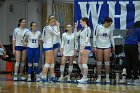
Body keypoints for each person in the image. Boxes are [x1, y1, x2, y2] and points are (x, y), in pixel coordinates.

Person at [93, 17, 115, 83]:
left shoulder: (110, 28)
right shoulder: (98, 26)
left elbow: (111, 36)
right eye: (109, 24)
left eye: (111, 24)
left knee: (107, 62)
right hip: (99, 46)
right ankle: (99, 77)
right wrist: (94, 46)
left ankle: (107, 77)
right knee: (99, 62)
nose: (110, 25)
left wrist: (113, 45)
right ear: (106, 22)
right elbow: (94, 36)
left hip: (107, 46)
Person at [40, 17, 60, 83]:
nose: (54, 22)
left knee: (52, 63)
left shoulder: (45, 28)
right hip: (48, 47)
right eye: (53, 21)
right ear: (50, 22)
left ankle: (52, 77)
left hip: (46, 46)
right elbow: (57, 34)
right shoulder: (50, 28)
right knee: (47, 63)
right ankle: (42, 76)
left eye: (54, 21)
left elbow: (42, 38)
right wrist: (58, 26)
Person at [122, 21, 140, 85]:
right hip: (133, 46)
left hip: (126, 46)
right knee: (134, 62)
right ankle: (135, 78)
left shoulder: (130, 29)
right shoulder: (139, 29)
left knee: (128, 63)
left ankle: (128, 78)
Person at [74, 17, 92, 84]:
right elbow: (75, 36)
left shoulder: (88, 29)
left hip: (86, 47)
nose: (80, 23)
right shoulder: (82, 29)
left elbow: (87, 39)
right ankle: (84, 76)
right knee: (79, 63)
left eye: (81, 22)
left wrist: (83, 48)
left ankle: (84, 78)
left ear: (84, 22)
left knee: (84, 63)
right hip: (82, 48)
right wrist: (75, 27)